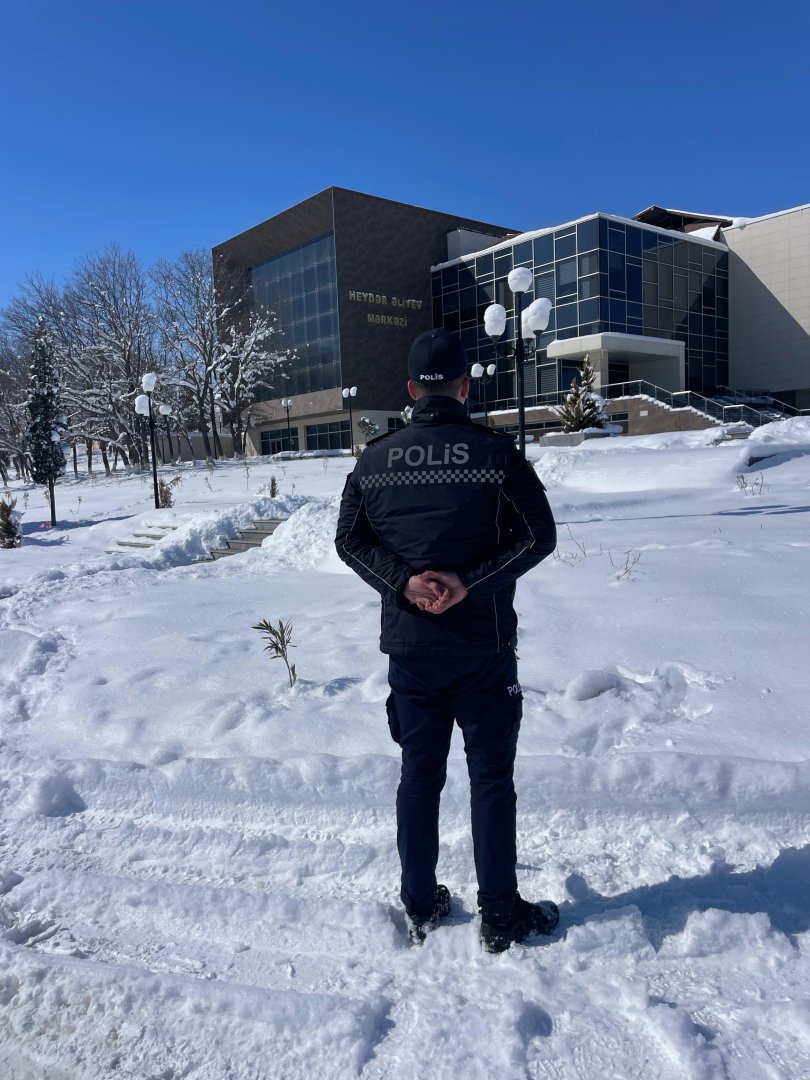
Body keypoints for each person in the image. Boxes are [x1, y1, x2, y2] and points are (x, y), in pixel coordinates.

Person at [334, 327, 559, 952]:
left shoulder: (373, 460)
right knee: (491, 779)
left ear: (411, 390)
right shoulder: (495, 453)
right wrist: (469, 582)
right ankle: (500, 913)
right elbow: (539, 537)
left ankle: (420, 901)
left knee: (419, 774)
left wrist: (406, 584)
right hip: (483, 646)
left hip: (412, 650)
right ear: (464, 386)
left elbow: (348, 541)